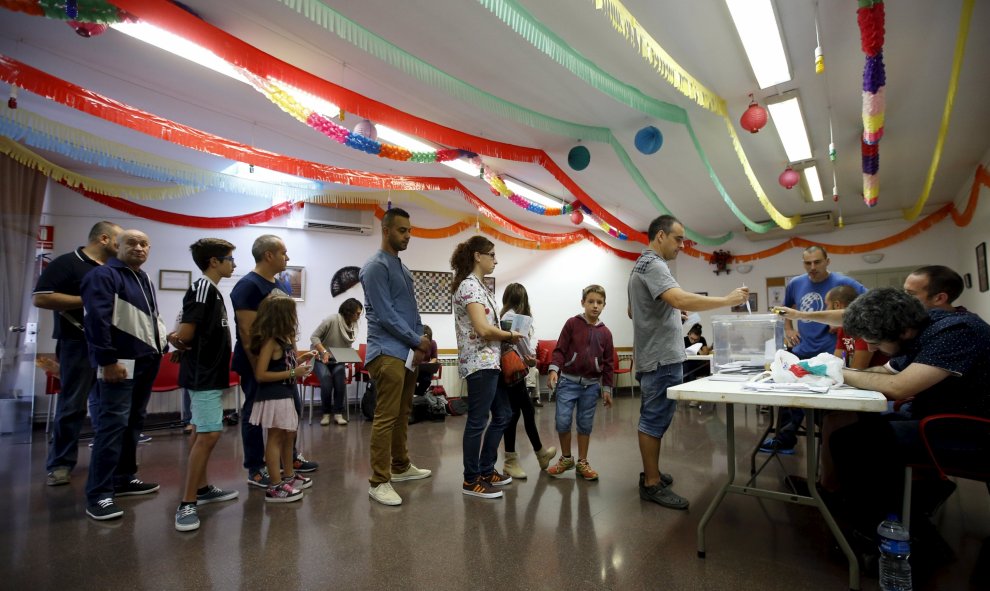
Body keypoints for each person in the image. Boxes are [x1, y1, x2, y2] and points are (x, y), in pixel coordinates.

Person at [828, 288, 990, 536]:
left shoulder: (956, 332)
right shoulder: (921, 330)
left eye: (877, 342)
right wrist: (827, 369)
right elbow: (886, 373)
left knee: (851, 441)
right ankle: (903, 505)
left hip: (972, 430)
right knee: (861, 425)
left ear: (901, 332)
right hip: (940, 415)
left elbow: (899, 386)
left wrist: (838, 373)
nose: (871, 349)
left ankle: (876, 530)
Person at [627, 214, 748, 510]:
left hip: (655, 355)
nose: (682, 245)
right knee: (653, 420)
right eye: (678, 238)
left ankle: (651, 474)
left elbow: (634, 311)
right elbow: (680, 299)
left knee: (656, 418)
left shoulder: (641, 265)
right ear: (660, 237)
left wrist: (669, 313)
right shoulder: (653, 264)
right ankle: (651, 484)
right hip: (660, 358)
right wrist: (726, 299)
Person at [81, 229, 167, 521]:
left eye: (145, 243)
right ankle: (99, 494)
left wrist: (165, 342)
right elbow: (96, 320)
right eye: (132, 243)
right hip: (120, 363)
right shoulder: (104, 276)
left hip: (146, 361)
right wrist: (107, 360)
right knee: (112, 425)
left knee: (133, 423)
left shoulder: (142, 278)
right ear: (116, 245)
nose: (139, 248)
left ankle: (124, 478)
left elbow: (147, 321)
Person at [33, 221, 121, 487]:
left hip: (110, 344)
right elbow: (41, 298)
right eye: (119, 240)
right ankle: (60, 464)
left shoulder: (114, 269)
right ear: (104, 239)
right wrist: (89, 299)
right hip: (76, 343)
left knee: (110, 407)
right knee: (72, 405)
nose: (124, 245)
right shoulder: (68, 263)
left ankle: (108, 463)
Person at [231, 235, 317, 490]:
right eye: (283, 253)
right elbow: (248, 334)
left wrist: (294, 355)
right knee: (255, 418)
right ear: (269, 255)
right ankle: (256, 468)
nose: (287, 258)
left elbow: (287, 324)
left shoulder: (281, 283)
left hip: (283, 363)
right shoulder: (247, 286)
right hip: (261, 363)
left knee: (290, 415)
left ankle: (287, 464)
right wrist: (264, 368)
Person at [359, 208, 433, 506]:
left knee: (403, 413)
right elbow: (386, 316)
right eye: (402, 230)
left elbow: (410, 312)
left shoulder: (400, 267)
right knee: (385, 417)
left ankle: (400, 466)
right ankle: (379, 481)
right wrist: (417, 340)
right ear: (386, 230)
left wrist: (419, 344)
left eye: (410, 230)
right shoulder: (375, 266)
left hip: (406, 353)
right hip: (386, 353)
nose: (408, 236)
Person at [760, 245, 865, 455]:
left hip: (831, 351)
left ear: (828, 261)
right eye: (808, 263)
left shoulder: (844, 283)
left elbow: (868, 305)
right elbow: (785, 310)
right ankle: (786, 439)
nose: (812, 267)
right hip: (804, 348)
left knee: (826, 402)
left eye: (817, 262)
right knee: (788, 395)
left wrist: (844, 321)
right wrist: (789, 328)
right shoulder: (796, 283)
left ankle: (829, 441)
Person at [170, 239, 240, 531]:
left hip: (209, 372)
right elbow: (186, 332)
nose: (233, 264)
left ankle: (200, 488)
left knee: (201, 430)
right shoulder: (201, 288)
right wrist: (176, 340)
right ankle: (187, 504)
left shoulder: (213, 291)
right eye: (229, 259)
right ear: (214, 261)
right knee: (209, 435)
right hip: (203, 374)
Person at [450, 236, 523, 498]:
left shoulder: (481, 286)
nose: (495, 259)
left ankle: (486, 468)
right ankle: (471, 480)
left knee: (503, 414)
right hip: (479, 363)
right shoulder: (469, 286)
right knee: (478, 421)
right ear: (477, 256)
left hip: (491, 362)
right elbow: (481, 329)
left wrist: (506, 333)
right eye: (491, 254)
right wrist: (510, 336)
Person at [250, 296, 316, 503]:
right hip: (274, 395)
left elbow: (284, 364)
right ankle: (275, 486)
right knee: (275, 438)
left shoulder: (282, 339)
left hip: (284, 393)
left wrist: (301, 360)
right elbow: (261, 374)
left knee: (288, 436)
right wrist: (292, 373)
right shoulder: (270, 341)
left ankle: (288, 476)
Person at [545, 284, 615, 481]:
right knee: (562, 420)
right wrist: (553, 369)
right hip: (568, 381)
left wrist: (607, 389)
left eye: (599, 302)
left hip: (591, 386)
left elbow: (608, 363)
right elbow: (559, 350)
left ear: (604, 305)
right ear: (582, 303)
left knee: (585, 424)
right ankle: (566, 459)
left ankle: (582, 462)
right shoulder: (572, 324)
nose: (595, 306)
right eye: (590, 301)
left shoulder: (606, 333)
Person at [498, 283, 556, 479]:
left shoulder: (504, 315)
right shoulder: (513, 318)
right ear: (523, 299)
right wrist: (531, 358)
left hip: (512, 371)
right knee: (514, 415)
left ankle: (540, 454)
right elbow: (521, 343)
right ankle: (510, 461)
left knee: (527, 411)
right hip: (513, 371)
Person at [310, 298, 363, 426]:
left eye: (360, 313)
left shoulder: (352, 326)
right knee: (326, 380)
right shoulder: (332, 320)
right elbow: (314, 337)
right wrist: (323, 352)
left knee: (340, 381)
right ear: (348, 311)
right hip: (320, 358)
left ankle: (338, 414)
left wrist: (351, 357)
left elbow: (346, 346)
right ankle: (326, 414)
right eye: (357, 313)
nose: (359, 316)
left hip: (337, 359)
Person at [413, 325, 439, 398]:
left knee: (426, 380)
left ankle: (418, 395)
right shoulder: (413, 343)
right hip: (414, 368)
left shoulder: (433, 343)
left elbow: (434, 358)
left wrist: (429, 364)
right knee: (410, 380)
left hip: (425, 371)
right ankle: (416, 395)